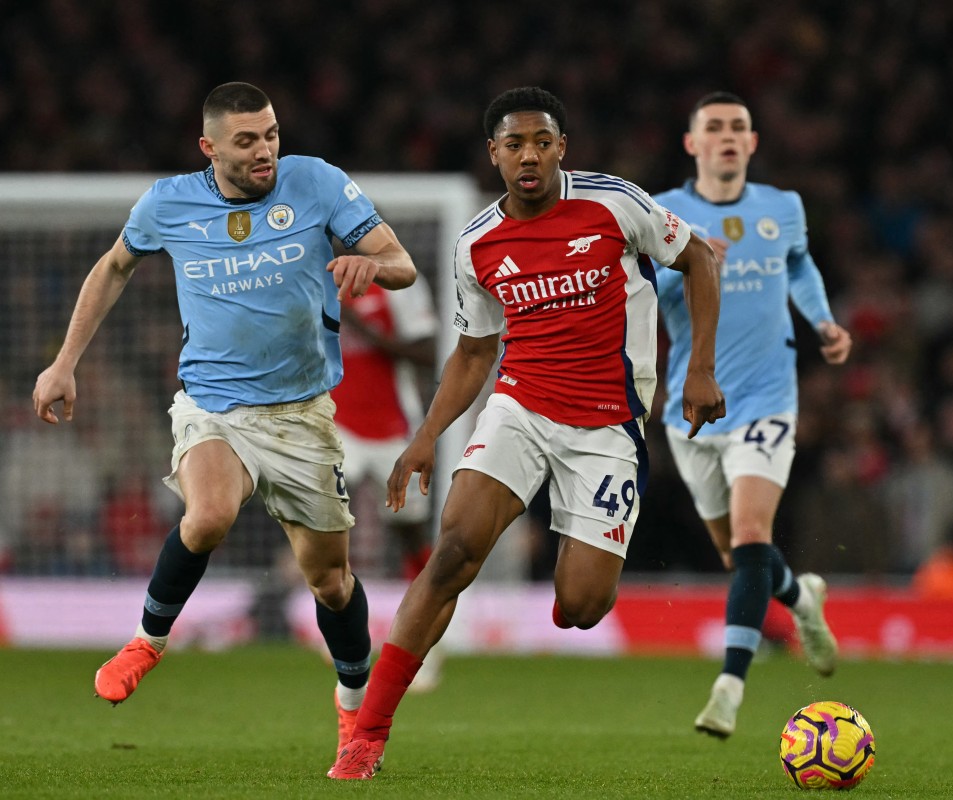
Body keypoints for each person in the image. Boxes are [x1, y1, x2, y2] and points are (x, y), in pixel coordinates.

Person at [327, 86, 725, 780]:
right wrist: (425, 436)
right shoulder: (478, 242)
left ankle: (578, 577)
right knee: (452, 550)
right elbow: (476, 352)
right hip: (521, 407)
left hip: (608, 425)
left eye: (542, 141)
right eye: (514, 144)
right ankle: (367, 735)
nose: (529, 155)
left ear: (561, 148)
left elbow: (701, 261)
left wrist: (700, 372)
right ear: (495, 154)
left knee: (581, 606)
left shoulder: (613, 203)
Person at [31, 82, 418, 757]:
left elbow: (404, 264)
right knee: (208, 516)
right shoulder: (169, 202)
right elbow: (114, 266)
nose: (265, 149)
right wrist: (64, 363)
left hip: (301, 416)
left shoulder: (317, 182)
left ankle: (354, 709)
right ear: (210, 147)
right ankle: (148, 642)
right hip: (214, 404)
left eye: (270, 133)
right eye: (247, 140)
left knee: (329, 582)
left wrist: (372, 263)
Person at [652, 92, 852, 739]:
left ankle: (728, 688)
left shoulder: (783, 208)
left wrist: (821, 320)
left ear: (753, 141)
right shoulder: (664, 212)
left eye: (738, 127)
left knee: (748, 533)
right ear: (693, 145)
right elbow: (647, 291)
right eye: (714, 127)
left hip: (768, 397)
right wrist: (694, 263)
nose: (727, 137)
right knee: (740, 555)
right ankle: (802, 599)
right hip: (693, 407)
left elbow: (798, 264)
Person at [330, 274, 443, 690]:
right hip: (335, 425)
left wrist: (360, 326)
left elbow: (428, 353)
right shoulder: (317, 276)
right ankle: (341, 633)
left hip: (395, 429)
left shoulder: (400, 284)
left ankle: (422, 645)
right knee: (326, 526)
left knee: (410, 535)